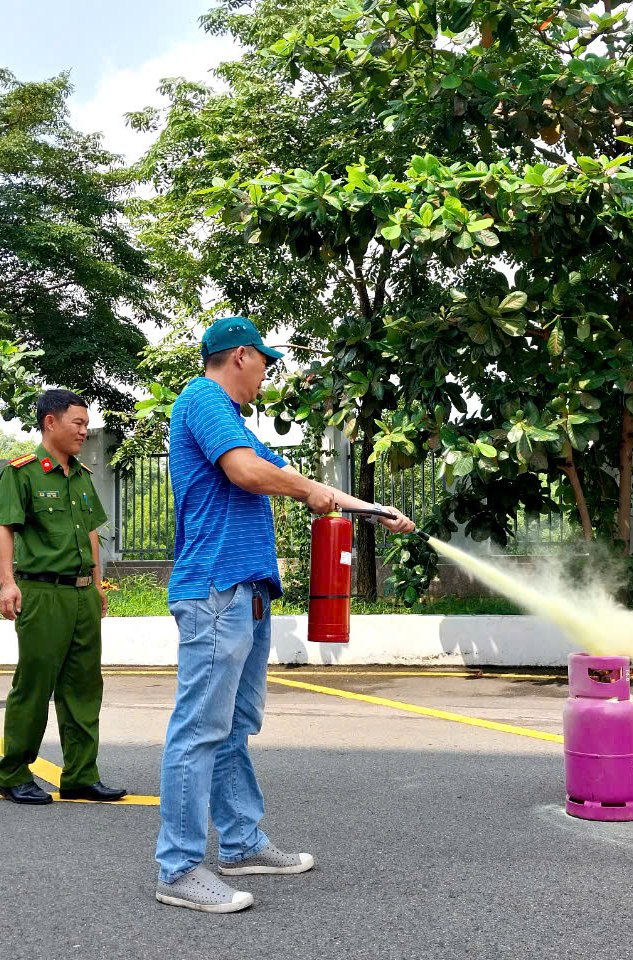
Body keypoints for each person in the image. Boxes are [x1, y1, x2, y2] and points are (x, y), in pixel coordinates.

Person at [154, 316, 415, 914]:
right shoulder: (203, 399)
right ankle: (179, 869)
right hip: (215, 591)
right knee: (199, 731)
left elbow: (295, 478)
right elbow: (251, 475)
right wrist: (305, 493)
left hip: (245, 595)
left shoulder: (235, 424)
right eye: (264, 362)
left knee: (232, 730)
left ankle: (241, 844)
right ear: (240, 356)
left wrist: (373, 508)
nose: (267, 373)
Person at [0, 389, 126, 806]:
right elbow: (4, 530)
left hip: (82, 594)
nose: (84, 431)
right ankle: (13, 773)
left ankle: (81, 775)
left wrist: (98, 583)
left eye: (86, 424)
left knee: (84, 687)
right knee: (34, 685)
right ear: (51, 422)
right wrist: (8, 583)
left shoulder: (82, 476)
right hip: (42, 592)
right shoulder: (22, 473)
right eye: (77, 423)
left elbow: (91, 534)